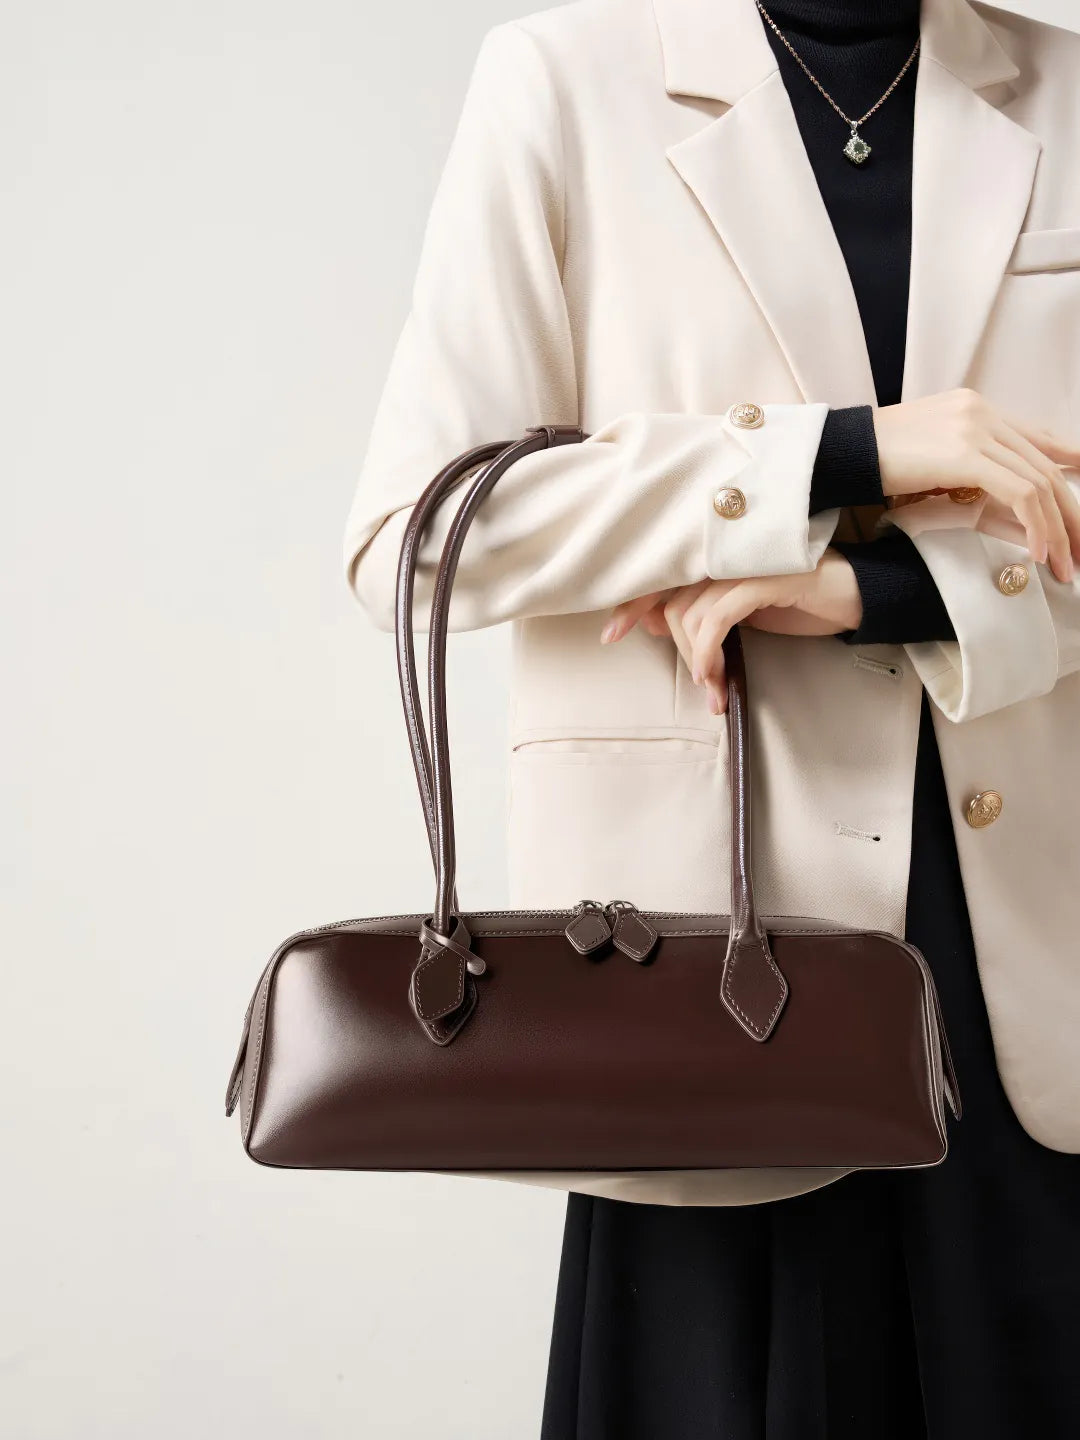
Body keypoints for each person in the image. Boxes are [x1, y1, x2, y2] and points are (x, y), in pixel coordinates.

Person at [342, 0, 1080, 1432]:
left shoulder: (1067, 91)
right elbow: (417, 537)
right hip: (712, 978)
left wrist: (871, 593)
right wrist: (839, 454)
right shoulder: (565, 82)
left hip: (1034, 989)